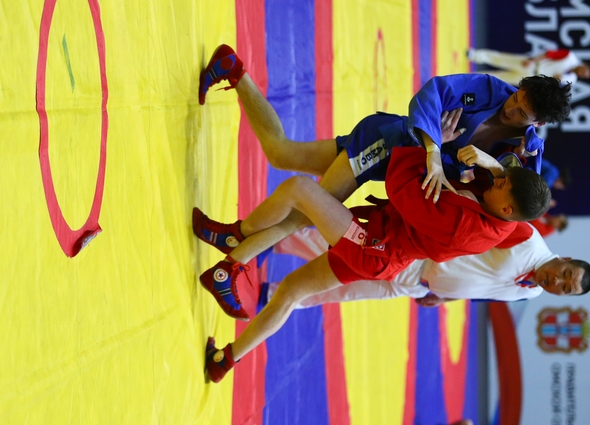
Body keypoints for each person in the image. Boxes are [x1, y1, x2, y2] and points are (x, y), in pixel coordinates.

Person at [194, 44, 568, 302]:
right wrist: (434, 150)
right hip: (391, 145)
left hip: (406, 170)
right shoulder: (489, 90)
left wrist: (489, 166)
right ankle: (232, 257)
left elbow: (509, 203)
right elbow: (433, 93)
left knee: (282, 153)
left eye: (521, 113)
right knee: (303, 213)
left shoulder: (527, 155)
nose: (509, 108)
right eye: (515, 98)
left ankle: (233, 69)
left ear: (538, 123)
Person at [199, 145, 550, 383]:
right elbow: (503, 195)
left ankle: (231, 254)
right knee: (291, 291)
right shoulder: (504, 221)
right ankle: (224, 361)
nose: (496, 181)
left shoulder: (468, 226)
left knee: (300, 189)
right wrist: (495, 165)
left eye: (501, 183)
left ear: (507, 208)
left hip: (376, 248)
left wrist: (428, 149)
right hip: (385, 250)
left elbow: (403, 191)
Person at [259, 222, 590, 309]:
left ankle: (274, 297)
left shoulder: (532, 294)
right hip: (417, 258)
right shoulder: (527, 238)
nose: (558, 282)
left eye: (565, 289)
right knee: (340, 249)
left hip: (418, 286)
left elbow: (486, 291)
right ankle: (275, 239)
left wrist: (446, 297)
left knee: (345, 293)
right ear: (564, 258)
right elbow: (478, 220)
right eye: (565, 274)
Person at [467, 47, 590, 87]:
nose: (581, 73)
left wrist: (555, 80)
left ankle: (471, 77)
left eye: (583, 75)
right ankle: (475, 55)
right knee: (501, 59)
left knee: (499, 78)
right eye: (583, 71)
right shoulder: (570, 57)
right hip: (532, 65)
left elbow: (553, 87)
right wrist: (532, 60)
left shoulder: (571, 80)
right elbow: (550, 53)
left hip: (532, 78)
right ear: (583, 65)